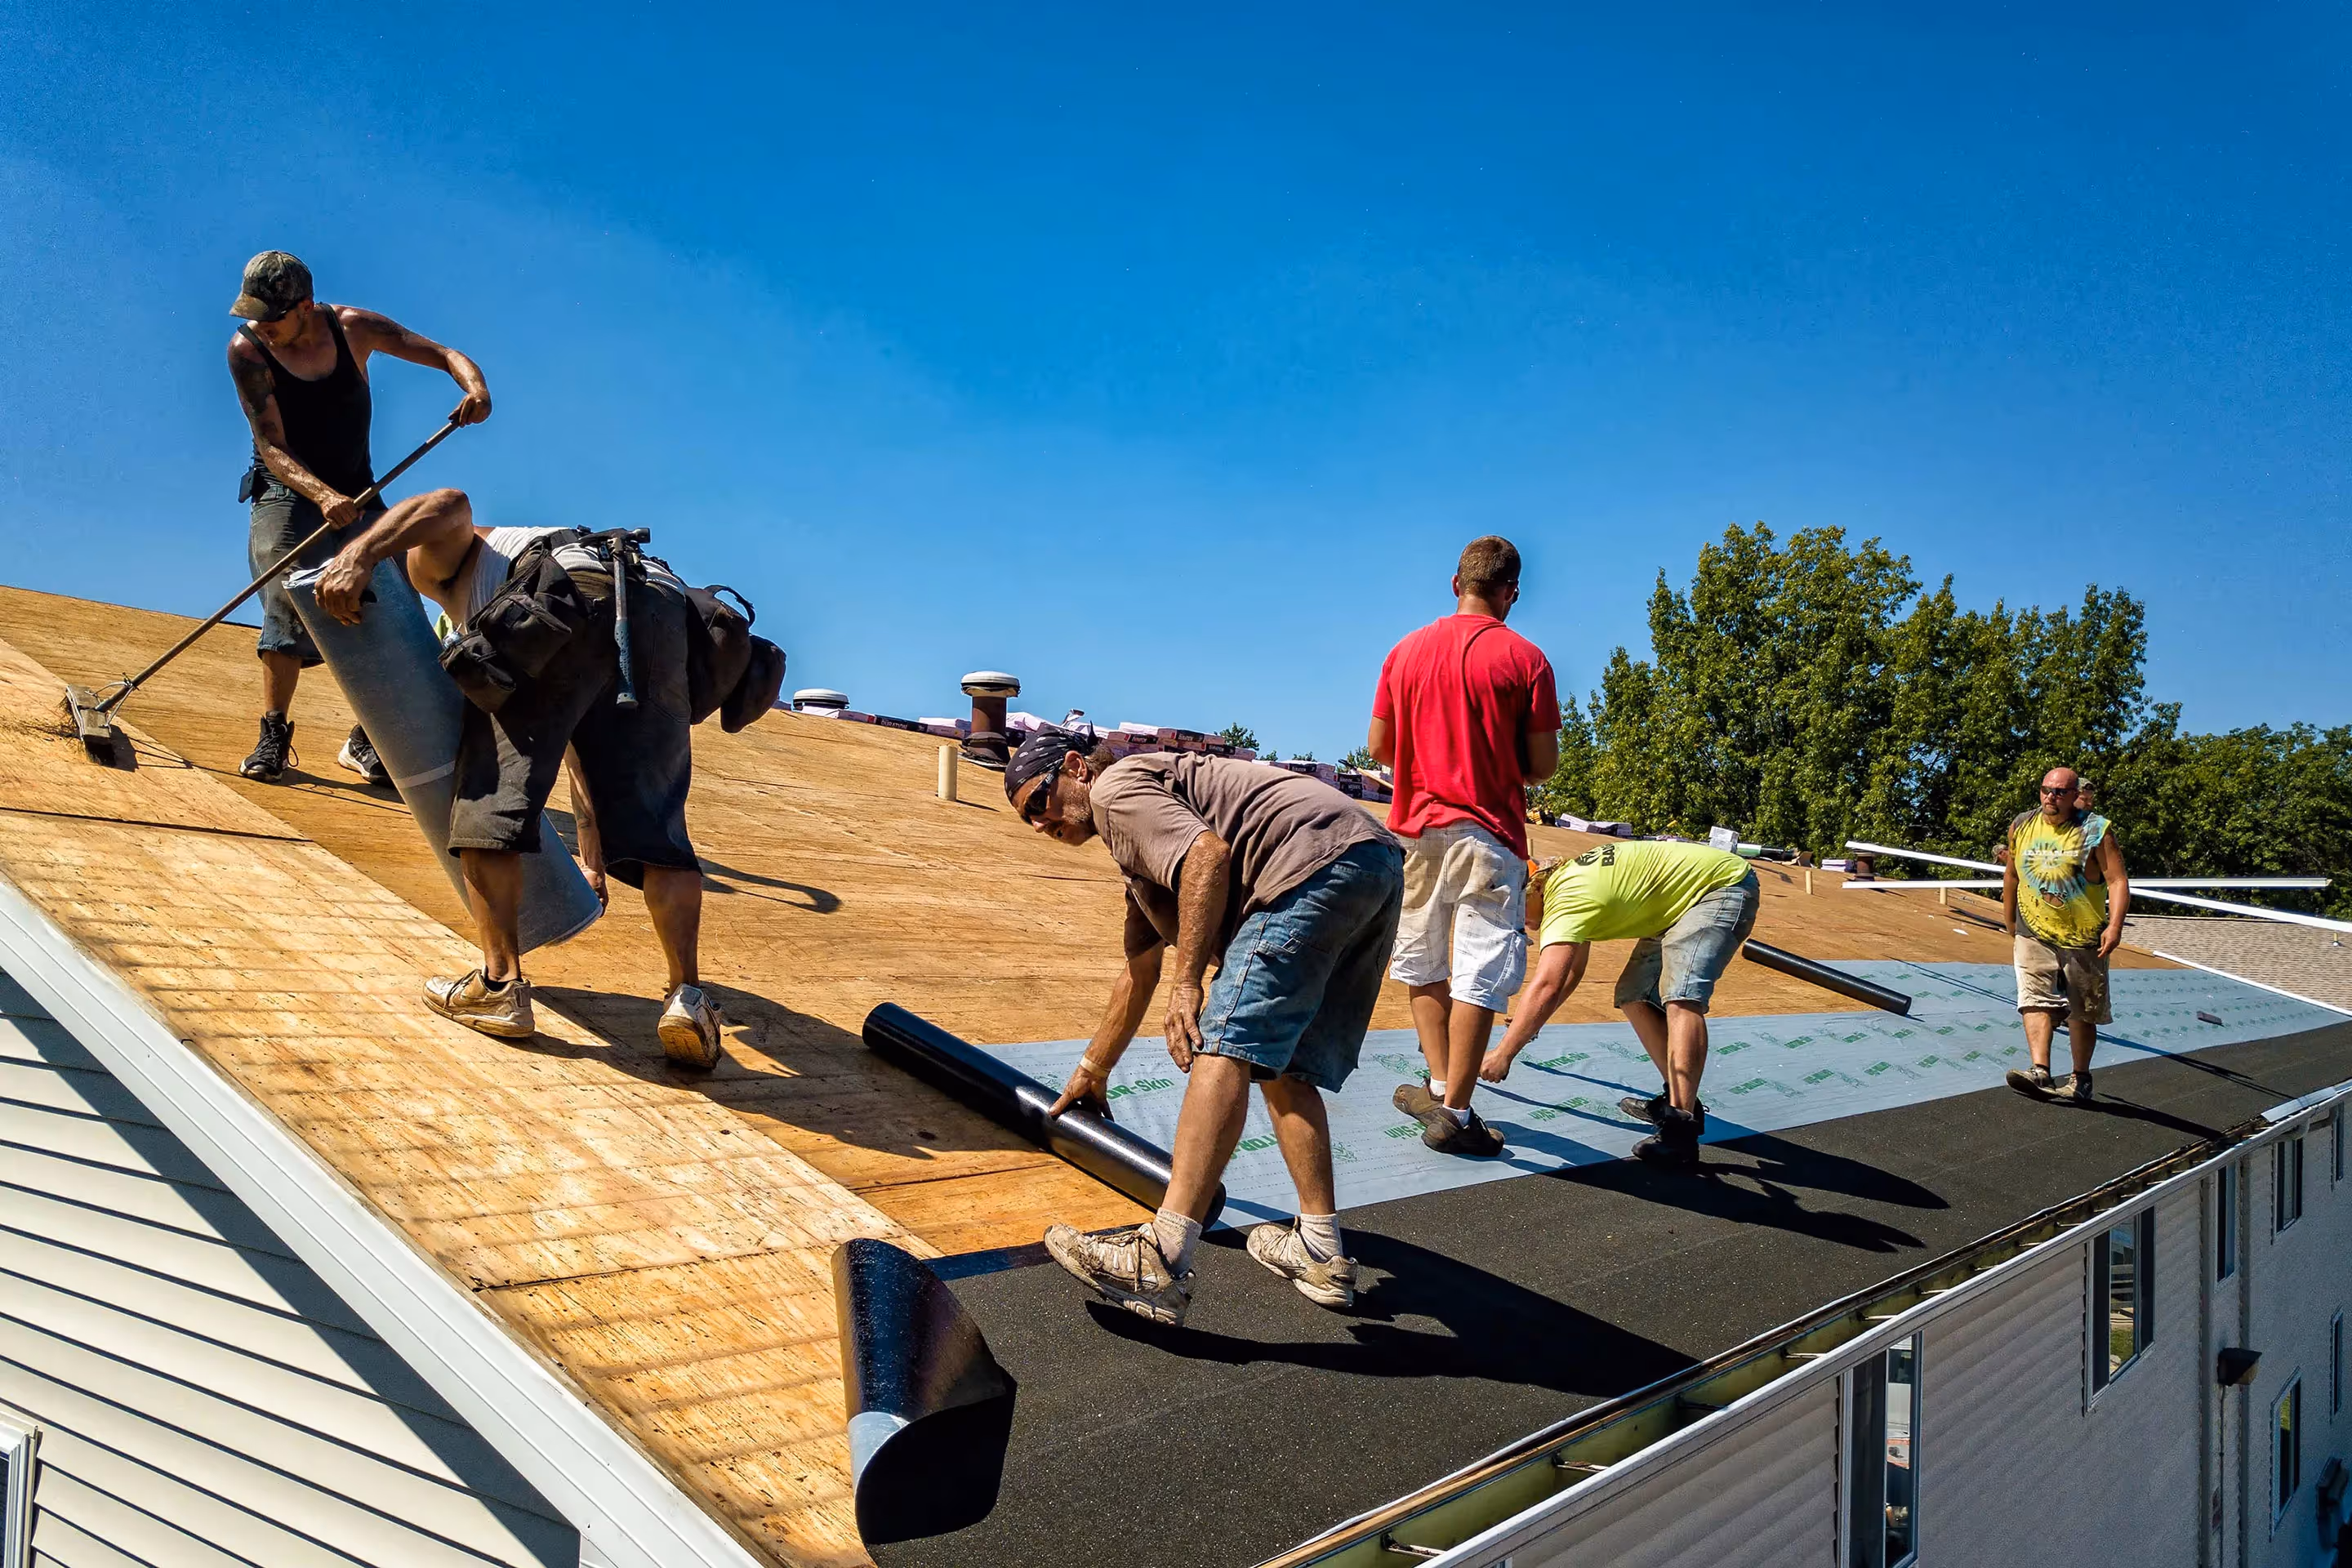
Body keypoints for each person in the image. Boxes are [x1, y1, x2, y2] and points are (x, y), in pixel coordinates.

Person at [310, 488, 724, 1070]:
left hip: (560, 598)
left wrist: (359, 554)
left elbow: (450, 502)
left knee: (486, 794)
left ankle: (500, 988)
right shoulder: (534, 547)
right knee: (659, 827)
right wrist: (593, 862)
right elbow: (584, 761)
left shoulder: (432, 565)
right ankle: (688, 996)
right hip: (658, 603)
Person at [1012, 733, 1403, 1325]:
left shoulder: (1116, 790)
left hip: (1310, 863)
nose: (1039, 826)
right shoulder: (1140, 857)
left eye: (1038, 804)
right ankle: (1320, 1250)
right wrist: (1094, 1069)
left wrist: (1189, 983)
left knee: (1224, 1043)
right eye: (1027, 822)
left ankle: (1161, 1259)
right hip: (1370, 865)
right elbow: (1137, 973)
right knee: (1284, 1065)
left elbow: (1207, 855)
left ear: (1074, 768)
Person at [226, 251, 492, 786]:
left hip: (358, 490)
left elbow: (444, 354)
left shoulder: (353, 329)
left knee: (397, 602)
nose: (265, 328)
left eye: (274, 317)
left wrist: (476, 389)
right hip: (285, 488)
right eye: (256, 316)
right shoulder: (248, 352)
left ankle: (364, 741)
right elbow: (271, 446)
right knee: (285, 598)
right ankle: (274, 731)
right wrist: (322, 496)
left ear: (304, 306)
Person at [1369, 536, 1558, 1157]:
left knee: (1421, 962)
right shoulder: (1527, 659)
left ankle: (1441, 1083)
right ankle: (1456, 1109)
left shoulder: (1405, 652)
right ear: (1511, 594)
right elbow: (1542, 766)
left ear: (1456, 584)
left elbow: (1379, 749)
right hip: (1488, 830)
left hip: (1416, 828)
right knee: (1480, 972)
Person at [1479, 839, 1760, 1169]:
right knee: (1634, 995)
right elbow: (1573, 973)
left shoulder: (1566, 901)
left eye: (1515, 909)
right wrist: (1530, 1026)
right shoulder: (1565, 884)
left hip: (1719, 888)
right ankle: (1679, 1100)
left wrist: (1504, 1053)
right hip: (1680, 901)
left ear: (1533, 889)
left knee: (1682, 997)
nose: (1519, 921)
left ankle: (1680, 1129)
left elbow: (1549, 984)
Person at [2002, 767, 2128, 1105]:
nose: (2050, 797)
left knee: (2081, 1012)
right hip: (2033, 930)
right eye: (2045, 790)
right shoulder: (2022, 825)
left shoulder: (2095, 831)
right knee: (2033, 1000)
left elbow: (2117, 880)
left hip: (2082, 936)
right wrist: (2009, 920)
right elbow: (2012, 874)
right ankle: (2039, 1070)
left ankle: (2080, 1077)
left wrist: (2114, 926)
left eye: (2059, 792)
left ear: (2075, 796)